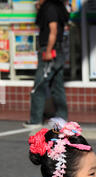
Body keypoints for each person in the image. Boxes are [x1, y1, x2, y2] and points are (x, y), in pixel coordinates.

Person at [23, 0, 69, 128]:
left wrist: (48, 50)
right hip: (57, 49)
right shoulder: (57, 7)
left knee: (39, 86)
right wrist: (39, 7)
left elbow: (53, 30)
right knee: (57, 85)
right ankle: (62, 118)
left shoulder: (50, 8)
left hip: (50, 50)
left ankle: (35, 120)